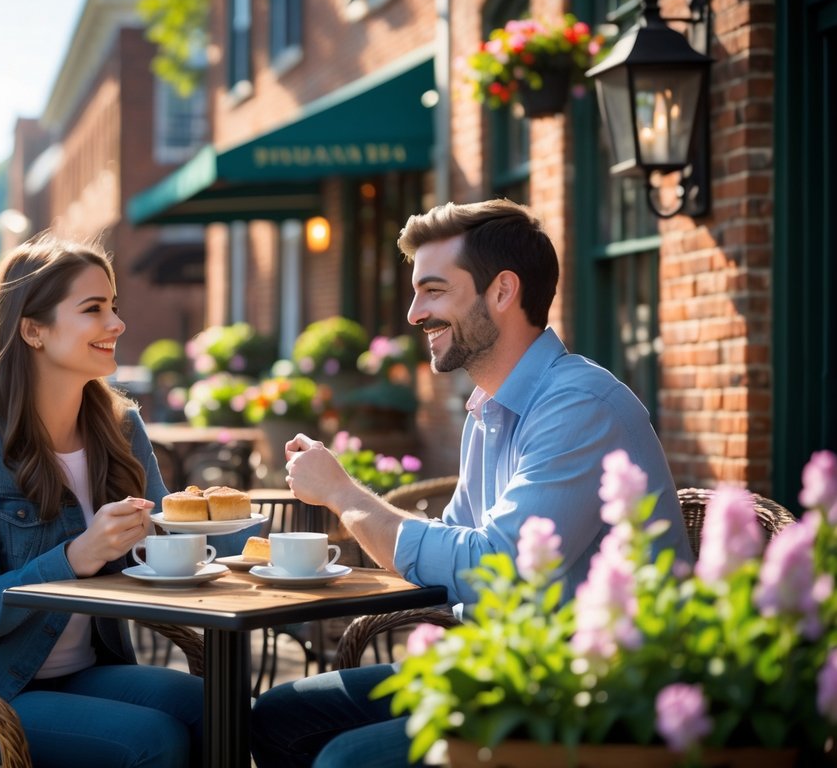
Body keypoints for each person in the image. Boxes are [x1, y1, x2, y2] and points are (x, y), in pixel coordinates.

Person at [251, 199, 694, 767]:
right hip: (498, 668)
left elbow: (490, 568)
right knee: (278, 715)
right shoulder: (487, 409)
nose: (413, 314)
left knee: (346, 759)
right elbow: (452, 541)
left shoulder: (578, 405)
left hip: (592, 692)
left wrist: (342, 493)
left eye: (433, 291)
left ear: (502, 292)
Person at [0, 232, 203, 767]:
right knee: (154, 739)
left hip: (83, 672)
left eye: (114, 307)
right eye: (94, 309)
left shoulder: (120, 427)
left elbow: (168, 538)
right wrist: (76, 556)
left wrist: (265, 542)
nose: (117, 324)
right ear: (33, 330)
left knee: (220, 707)